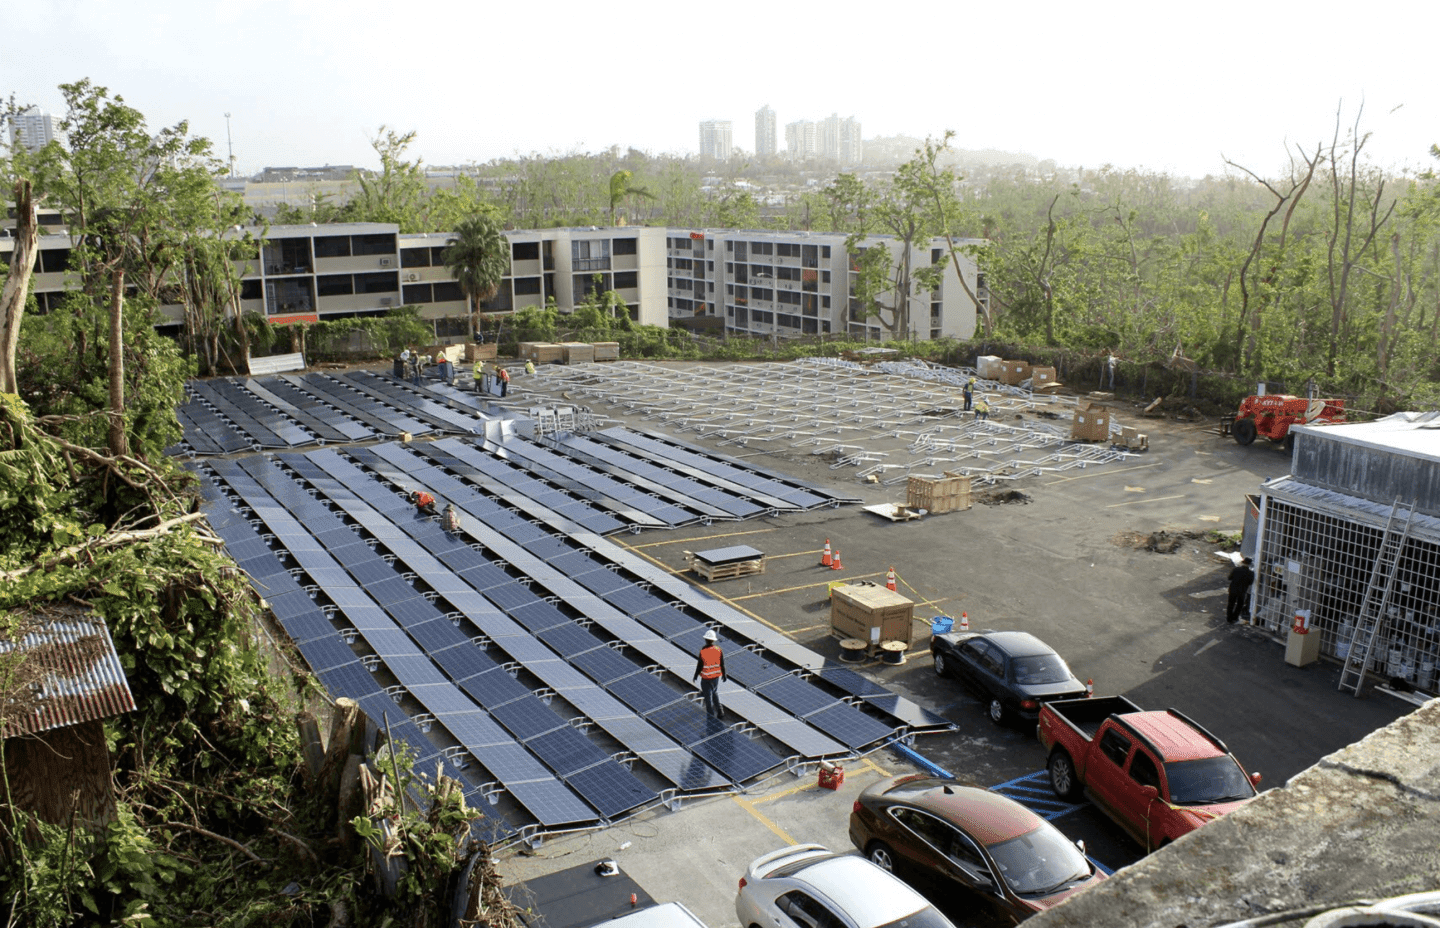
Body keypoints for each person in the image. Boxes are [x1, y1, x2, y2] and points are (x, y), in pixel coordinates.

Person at [692, 629, 726, 719]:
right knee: (714, 693)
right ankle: (720, 712)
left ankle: (711, 718)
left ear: (706, 640)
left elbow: (699, 665)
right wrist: (724, 675)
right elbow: (722, 663)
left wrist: (695, 676)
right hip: (716, 678)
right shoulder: (718, 650)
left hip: (706, 679)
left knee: (708, 700)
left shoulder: (703, 651)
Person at [1227, 556, 1255, 624]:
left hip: (1233, 589)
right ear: (1249, 564)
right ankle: (1235, 617)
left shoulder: (1236, 569)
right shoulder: (1251, 573)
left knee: (1231, 604)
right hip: (1242, 591)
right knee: (1239, 605)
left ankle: (1229, 618)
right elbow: (1251, 583)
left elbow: (1229, 578)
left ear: (1242, 562)